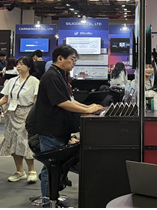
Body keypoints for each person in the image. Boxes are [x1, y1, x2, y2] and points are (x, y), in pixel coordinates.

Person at [31, 45, 104, 201]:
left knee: (57, 166)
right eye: (72, 59)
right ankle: (48, 201)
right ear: (60, 58)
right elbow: (62, 102)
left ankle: (52, 197)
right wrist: (86, 110)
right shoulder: (51, 76)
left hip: (59, 129)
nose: (74, 63)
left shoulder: (61, 75)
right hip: (51, 130)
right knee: (51, 167)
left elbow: (70, 99)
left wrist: (88, 108)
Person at [0, 57, 40, 183]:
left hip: (26, 114)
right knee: (12, 142)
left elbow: (38, 102)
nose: (19, 66)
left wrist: (31, 115)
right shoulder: (12, 81)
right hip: (11, 113)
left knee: (25, 142)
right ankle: (19, 171)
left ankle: (32, 170)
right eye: (18, 64)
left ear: (29, 67)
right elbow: (6, 97)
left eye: (22, 64)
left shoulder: (34, 81)